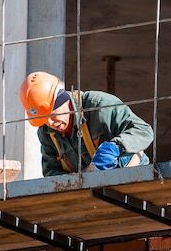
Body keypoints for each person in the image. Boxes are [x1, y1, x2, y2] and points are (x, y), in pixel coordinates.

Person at [19, 71, 154, 176]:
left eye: (51, 115)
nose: (50, 123)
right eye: (43, 119)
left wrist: (115, 147)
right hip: (92, 194)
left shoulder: (98, 106)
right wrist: (69, 181)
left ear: (64, 101)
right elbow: (51, 171)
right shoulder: (46, 132)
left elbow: (144, 131)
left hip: (133, 176)